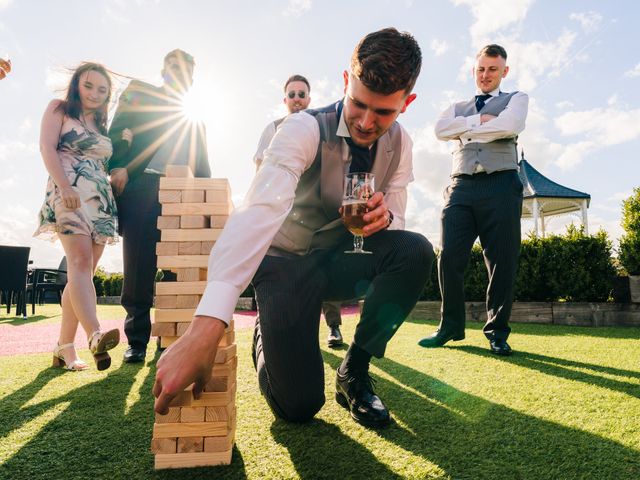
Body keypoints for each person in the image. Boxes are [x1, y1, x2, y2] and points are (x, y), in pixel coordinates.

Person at [154, 28, 433, 428]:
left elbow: (399, 223)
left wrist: (384, 220)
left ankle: (353, 371)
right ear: (344, 82)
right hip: (286, 262)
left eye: (384, 112)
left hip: (338, 260)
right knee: (298, 407)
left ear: (407, 103)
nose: (367, 122)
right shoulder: (303, 128)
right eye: (358, 104)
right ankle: (267, 332)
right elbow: (258, 210)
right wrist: (206, 328)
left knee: (415, 251)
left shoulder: (402, 145)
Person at [418, 44, 528, 356]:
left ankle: (496, 331)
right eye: (481, 69)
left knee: (501, 260)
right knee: (450, 257)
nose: (486, 74)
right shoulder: (456, 106)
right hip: (461, 186)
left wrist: (464, 131)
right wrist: (481, 123)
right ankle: (450, 326)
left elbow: (511, 125)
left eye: (493, 69)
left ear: (503, 71)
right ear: (474, 70)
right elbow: (440, 130)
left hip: (501, 184)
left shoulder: (516, 99)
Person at [108, 49, 211, 364]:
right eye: (173, 68)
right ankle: (136, 340)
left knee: (177, 267)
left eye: (186, 72)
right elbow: (116, 132)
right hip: (142, 187)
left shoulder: (196, 120)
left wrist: (208, 204)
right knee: (138, 266)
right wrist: (118, 165)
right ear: (164, 71)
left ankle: (168, 337)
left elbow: (204, 167)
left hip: (182, 193)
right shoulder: (140, 93)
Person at [34, 62, 121, 371]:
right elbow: (47, 148)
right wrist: (65, 185)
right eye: (89, 86)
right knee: (80, 265)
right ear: (76, 84)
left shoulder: (101, 122)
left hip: (100, 200)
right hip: (68, 193)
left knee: (81, 274)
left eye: (102, 89)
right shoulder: (59, 108)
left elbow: (106, 163)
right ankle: (95, 334)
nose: (95, 94)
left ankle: (64, 347)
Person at [253, 74, 345, 348]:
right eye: (291, 95)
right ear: (285, 100)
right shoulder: (272, 128)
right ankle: (276, 327)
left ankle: (334, 327)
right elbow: (260, 170)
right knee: (283, 273)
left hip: (317, 215)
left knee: (324, 267)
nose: (296, 99)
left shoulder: (323, 128)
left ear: (309, 98)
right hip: (285, 215)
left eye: (301, 94)